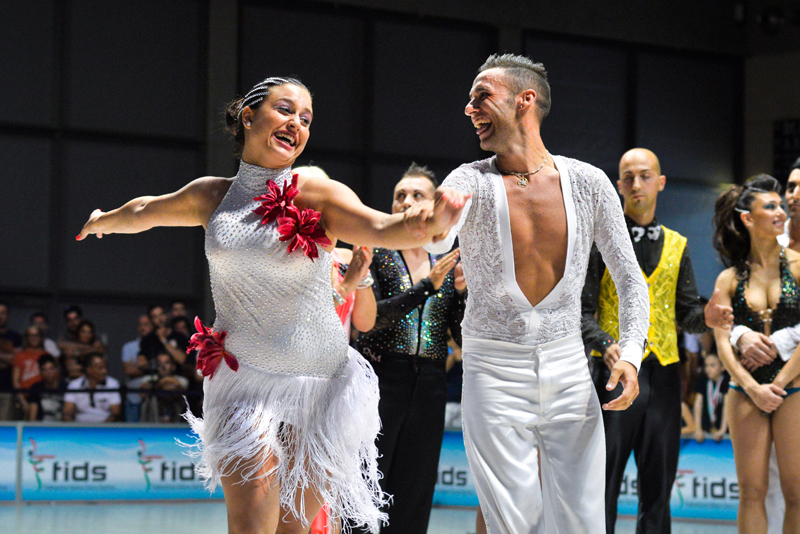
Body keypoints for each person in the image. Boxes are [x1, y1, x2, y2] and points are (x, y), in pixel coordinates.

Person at [76, 75, 466, 534]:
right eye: (285, 110)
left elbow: (382, 227)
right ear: (248, 116)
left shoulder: (315, 192)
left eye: (306, 119)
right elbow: (146, 210)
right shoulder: (212, 195)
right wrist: (104, 221)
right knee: (250, 525)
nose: (297, 124)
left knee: (293, 529)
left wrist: (429, 224)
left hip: (320, 382)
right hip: (244, 380)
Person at [423, 54, 649, 534]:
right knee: (513, 524)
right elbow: (437, 240)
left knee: (584, 522)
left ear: (524, 100)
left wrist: (631, 354)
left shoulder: (589, 182)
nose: (469, 108)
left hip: (569, 368)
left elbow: (630, 278)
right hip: (492, 370)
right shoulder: (468, 179)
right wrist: (438, 223)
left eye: (481, 96)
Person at [581, 148, 731, 534]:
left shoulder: (679, 244)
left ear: (661, 182)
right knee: (601, 485)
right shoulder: (599, 240)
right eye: (628, 177)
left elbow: (687, 314)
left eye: (645, 175)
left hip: (664, 375)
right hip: (611, 375)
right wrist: (604, 342)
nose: (637, 184)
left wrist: (707, 319)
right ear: (618, 185)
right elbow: (580, 313)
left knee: (659, 488)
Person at [354, 162, 466, 534]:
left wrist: (462, 295)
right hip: (381, 378)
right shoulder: (376, 252)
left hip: (431, 382)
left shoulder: (447, 259)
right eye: (399, 195)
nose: (406, 201)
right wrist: (426, 287)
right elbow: (371, 320)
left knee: (416, 485)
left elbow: (460, 337)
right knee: (368, 479)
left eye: (417, 195)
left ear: (434, 207)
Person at [711, 174, 800, 533]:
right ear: (748, 218)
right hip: (744, 393)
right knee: (751, 493)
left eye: (781, 205)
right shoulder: (729, 279)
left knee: (797, 494)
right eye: (771, 206)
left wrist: (777, 384)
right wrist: (752, 388)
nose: (782, 212)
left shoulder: (799, 266)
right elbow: (722, 342)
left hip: (793, 388)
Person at [62, 352, 122, 423]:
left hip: (105, 427)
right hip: (80, 427)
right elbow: (67, 413)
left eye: (105, 368)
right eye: (100, 368)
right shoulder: (74, 385)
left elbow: (115, 413)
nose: (104, 371)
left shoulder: (112, 383)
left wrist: (102, 428)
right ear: (89, 370)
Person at [121, 313, 155, 422]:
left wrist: (139, 367)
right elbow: (128, 370)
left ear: (153, 326)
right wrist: (152, 368)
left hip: (155, 391)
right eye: (140, 325)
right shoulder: (128, 347)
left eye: (146, 324)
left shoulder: (159, 344)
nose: (142, 328)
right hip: (134, 392)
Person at [139, 352, 190, 423]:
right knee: (152, 397)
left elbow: (178, 391)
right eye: (159, 363)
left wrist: (160, 384)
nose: (162, 366)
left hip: (176, 421)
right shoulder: (148, 378)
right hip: (153, 421)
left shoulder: (182, 380)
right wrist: (163, 382)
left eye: (166, 363)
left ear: (173, 366)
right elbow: (142, 394)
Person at [12, 325, 48, 418]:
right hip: (23, 398)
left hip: (41, 399)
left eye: (36, 335)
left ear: (41, 337)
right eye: (30, 335)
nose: (33, 338)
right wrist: (23, 402)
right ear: (26, 337)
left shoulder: (46, 355)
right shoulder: (20, 355)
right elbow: (16, 381)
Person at [693, 353, 729, 442]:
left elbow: (727, 406)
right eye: (706, 365)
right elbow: (698, 404)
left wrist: (722, 430)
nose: (708, 369)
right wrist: (697, 429)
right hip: (706, 429)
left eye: (712, 365)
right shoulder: (703, 380)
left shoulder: (727, 381)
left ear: (723, 367)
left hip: (725, 432)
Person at [26, 353, 65, 422]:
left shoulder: (65, 387)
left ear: (56, 369)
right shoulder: (36, 388)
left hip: (61, 426)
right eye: (44, 370)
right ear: (40, 372)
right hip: (42, 426)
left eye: (51, 369)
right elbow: (32, 417)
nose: (48, 372)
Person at [0, 302, 22, 421]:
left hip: (7, 389)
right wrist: (7, 357)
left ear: (7, 315)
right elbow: (10, 358)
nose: (0, 316)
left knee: (5, 426)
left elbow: (16, 359)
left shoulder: (15, 336)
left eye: (3, 313)